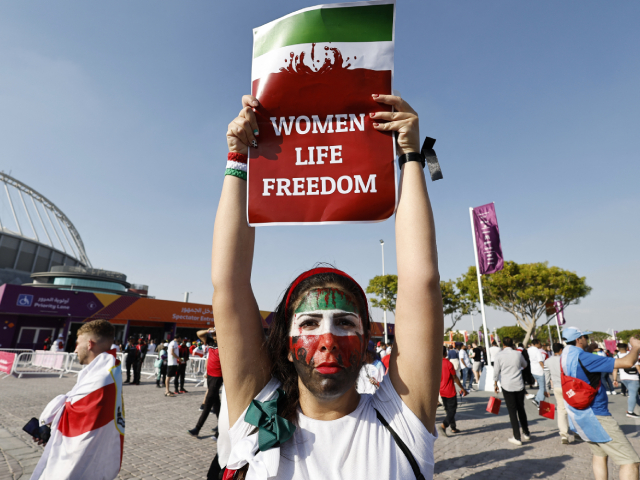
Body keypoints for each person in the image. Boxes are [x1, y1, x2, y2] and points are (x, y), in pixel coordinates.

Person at [212, 93, 442, 478]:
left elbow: (422, 281)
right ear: (285, 344)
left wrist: (411, 157)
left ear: (368, 338)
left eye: (346, 322)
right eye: (308, 323)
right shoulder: (257, 417)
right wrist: (237, 159)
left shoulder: (403, 417)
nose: (327, 338)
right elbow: (229, 284)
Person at [30, 320, 124, 479]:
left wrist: (51, 425)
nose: (74, 350)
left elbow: (76, 418)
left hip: (80, 465)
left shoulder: (103, 378)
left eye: (77, 344)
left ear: (89, 344)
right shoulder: (106, 371)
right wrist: (51, 430)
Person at [561, 327, 640, 480]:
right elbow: (628, 362)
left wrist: (588, 351)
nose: (588, 340)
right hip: (597, 416)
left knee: (599, 454)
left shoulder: (566, 355)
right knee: (631, 462)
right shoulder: (586, 358)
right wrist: (635, 346)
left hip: (580, 415)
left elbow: (581, 366)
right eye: (585, 337)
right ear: (578, 340)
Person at [493, 336, 530, 446]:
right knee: (521, 409)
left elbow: (496, 372)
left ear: (503, 344)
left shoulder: (499, 355)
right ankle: (526, 432)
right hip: (519, 384)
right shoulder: (518, 354)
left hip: (506, 385)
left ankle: (517, 436)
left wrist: (495, 384)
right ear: (512, 344)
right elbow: (525, 365)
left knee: (512, 411)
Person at [189, 328, 224, 438]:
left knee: (208, 403)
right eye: (213, 335)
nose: (214, 336)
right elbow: (198, 333)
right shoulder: (210, 341)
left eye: (216, 334)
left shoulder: (224, 344)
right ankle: (220, 428)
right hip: (210, 375)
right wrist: (209, 330)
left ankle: (197, 428)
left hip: (218, 376)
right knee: (216, 403)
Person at [544, 343, 571, 444]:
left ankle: (564, 434)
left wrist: (546, 389)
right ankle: (577, 432)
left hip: (556, 387)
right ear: (561, 350)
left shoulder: (547, 361)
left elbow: (546, 376)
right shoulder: (566, 359)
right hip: (568, 386)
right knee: (573, 408)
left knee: (561, 409)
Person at [438, 346, 468, 437]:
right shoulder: (448, 364)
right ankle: (444, 425)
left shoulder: (436, 364)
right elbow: (455, 377)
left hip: (442, 391)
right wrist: (463, 388)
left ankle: (453, 427)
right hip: (450, 391)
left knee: (448, 410)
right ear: (446, 353)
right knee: (452, 410)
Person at [612, 343, 640, 419]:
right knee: (633, 395)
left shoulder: (616, 357)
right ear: (627, 347)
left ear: (618, 348)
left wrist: (615, 380)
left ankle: (631, 410)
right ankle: (630, 412)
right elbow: (638, 367)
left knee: (635, 395)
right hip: (633, 378)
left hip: (623, 378)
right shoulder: (632, 355)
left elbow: (615, 369)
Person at [527, 339, 546, 408]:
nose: (540, 344)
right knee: (543, 388)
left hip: (533, 370)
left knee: (542, 387)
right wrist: (545, 369)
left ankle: (537, 400)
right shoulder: (537, 351)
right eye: (539, 343)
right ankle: (539, 402)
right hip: (539, 371)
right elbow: (540, 362)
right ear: (537, 343)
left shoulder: (529, 349)